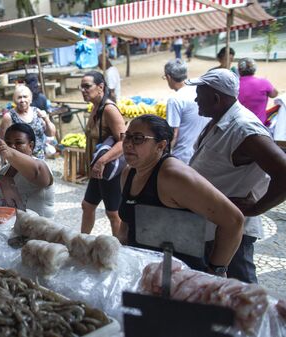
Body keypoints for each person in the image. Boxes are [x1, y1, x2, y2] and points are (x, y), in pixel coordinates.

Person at [187, 69, 286, 283]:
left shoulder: (243, 129)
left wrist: (256, 208)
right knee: (220, 289)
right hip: (210, 224)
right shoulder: (219, 120)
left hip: (230, 230)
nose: (195, 99)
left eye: (199, 94)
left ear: (216, 98)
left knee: (243, 290)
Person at [118, 114, 244, 273]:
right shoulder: (129, 173)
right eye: (127, 137)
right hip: (142, 272)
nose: (128, 144)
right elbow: (127, 224)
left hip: (180, 279)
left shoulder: (173, 176)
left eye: (138, 138)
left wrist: (216, 270)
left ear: (160, 145)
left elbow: (233, 220)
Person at [80, 71, 126, 236]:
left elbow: (124, 142)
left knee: (113, 213)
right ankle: (82, 241)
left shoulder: (109, 109)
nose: (83, 90)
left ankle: (119, 250)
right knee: (87, 205)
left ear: (100, 87)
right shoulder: (95, 108)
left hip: (108, 170)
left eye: (87, 86)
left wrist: (101, 161)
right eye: (82, 86)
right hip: (97, 170)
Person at [0, 123, 55, 218]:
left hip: (38, 230)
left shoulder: (40, 166)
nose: (13, 147)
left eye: (18, 143)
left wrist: (8, 151)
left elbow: (38, 172)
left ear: (31, 146)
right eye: (8, 143)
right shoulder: (3, 171)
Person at [163, 59, 210, 164]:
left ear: (169, 77)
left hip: (183, 156)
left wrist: (164, 157)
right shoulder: (199, 89)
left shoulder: (175, 100)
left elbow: (173, 133)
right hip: (203, 152)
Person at [0, 85, 56, 160]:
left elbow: (51, 133)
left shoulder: (37, 112)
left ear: (31, 99)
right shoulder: (9, 117)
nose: (22, 100)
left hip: (39, 159)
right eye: (19, 97)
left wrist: (46, 119)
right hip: (19, 159)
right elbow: (2, 141)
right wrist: (6, 160)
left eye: (25, 97)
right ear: (14, 100)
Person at [237, 57, 279, 124]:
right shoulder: (263, 82)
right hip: (259, 124)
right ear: (254, 69)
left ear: (239, 70)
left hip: (239, 124)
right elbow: (274, 94)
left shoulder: (234, 84)